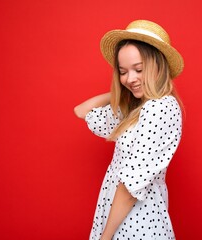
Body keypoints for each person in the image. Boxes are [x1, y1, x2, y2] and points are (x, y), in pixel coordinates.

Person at [74, 19, 184, 240]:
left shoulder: (158, 108)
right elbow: (81, 110)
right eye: (123, 71)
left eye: (139, 69)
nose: (130, 78)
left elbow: (130, 186)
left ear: (158, 66)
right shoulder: (137, 109)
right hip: (120, 217)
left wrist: (105, 237)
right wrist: (123, 91)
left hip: (137, 222)